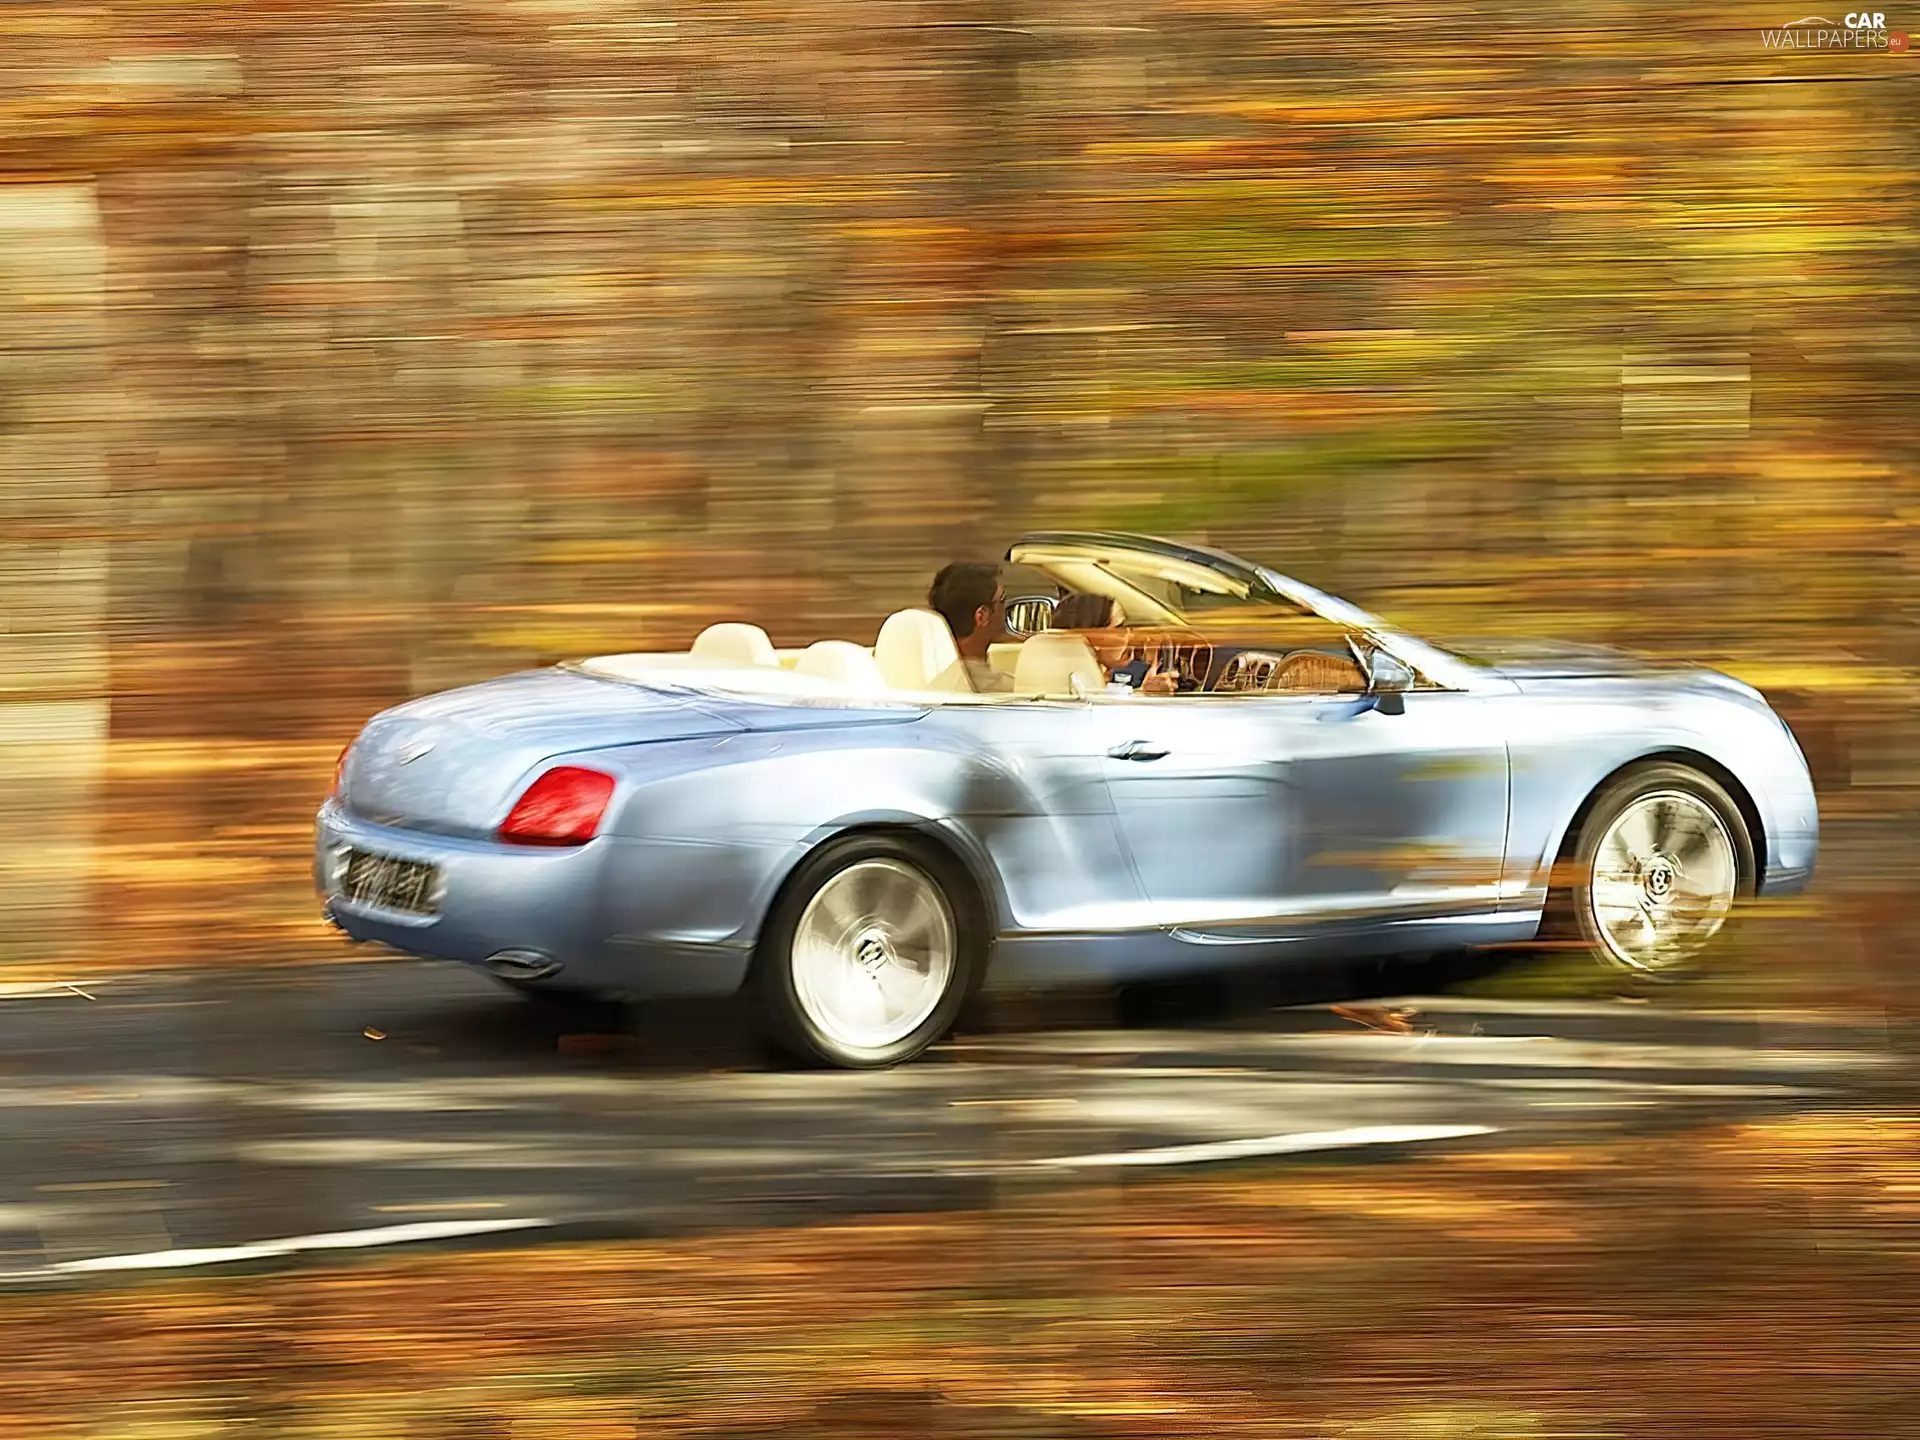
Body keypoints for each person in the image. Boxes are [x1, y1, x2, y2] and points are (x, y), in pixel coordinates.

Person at [1053, 592, 1178, 695]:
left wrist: (1146, 692)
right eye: (1119, 628)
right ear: (1092, 638)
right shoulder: (1078, 687)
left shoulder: (1087, 689)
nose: (1129, 636)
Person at [927, 562, 1014, 692]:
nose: (1006, 607)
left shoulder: (934, 682)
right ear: (982, 616)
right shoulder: (1004, 689)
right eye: (1002, 599)